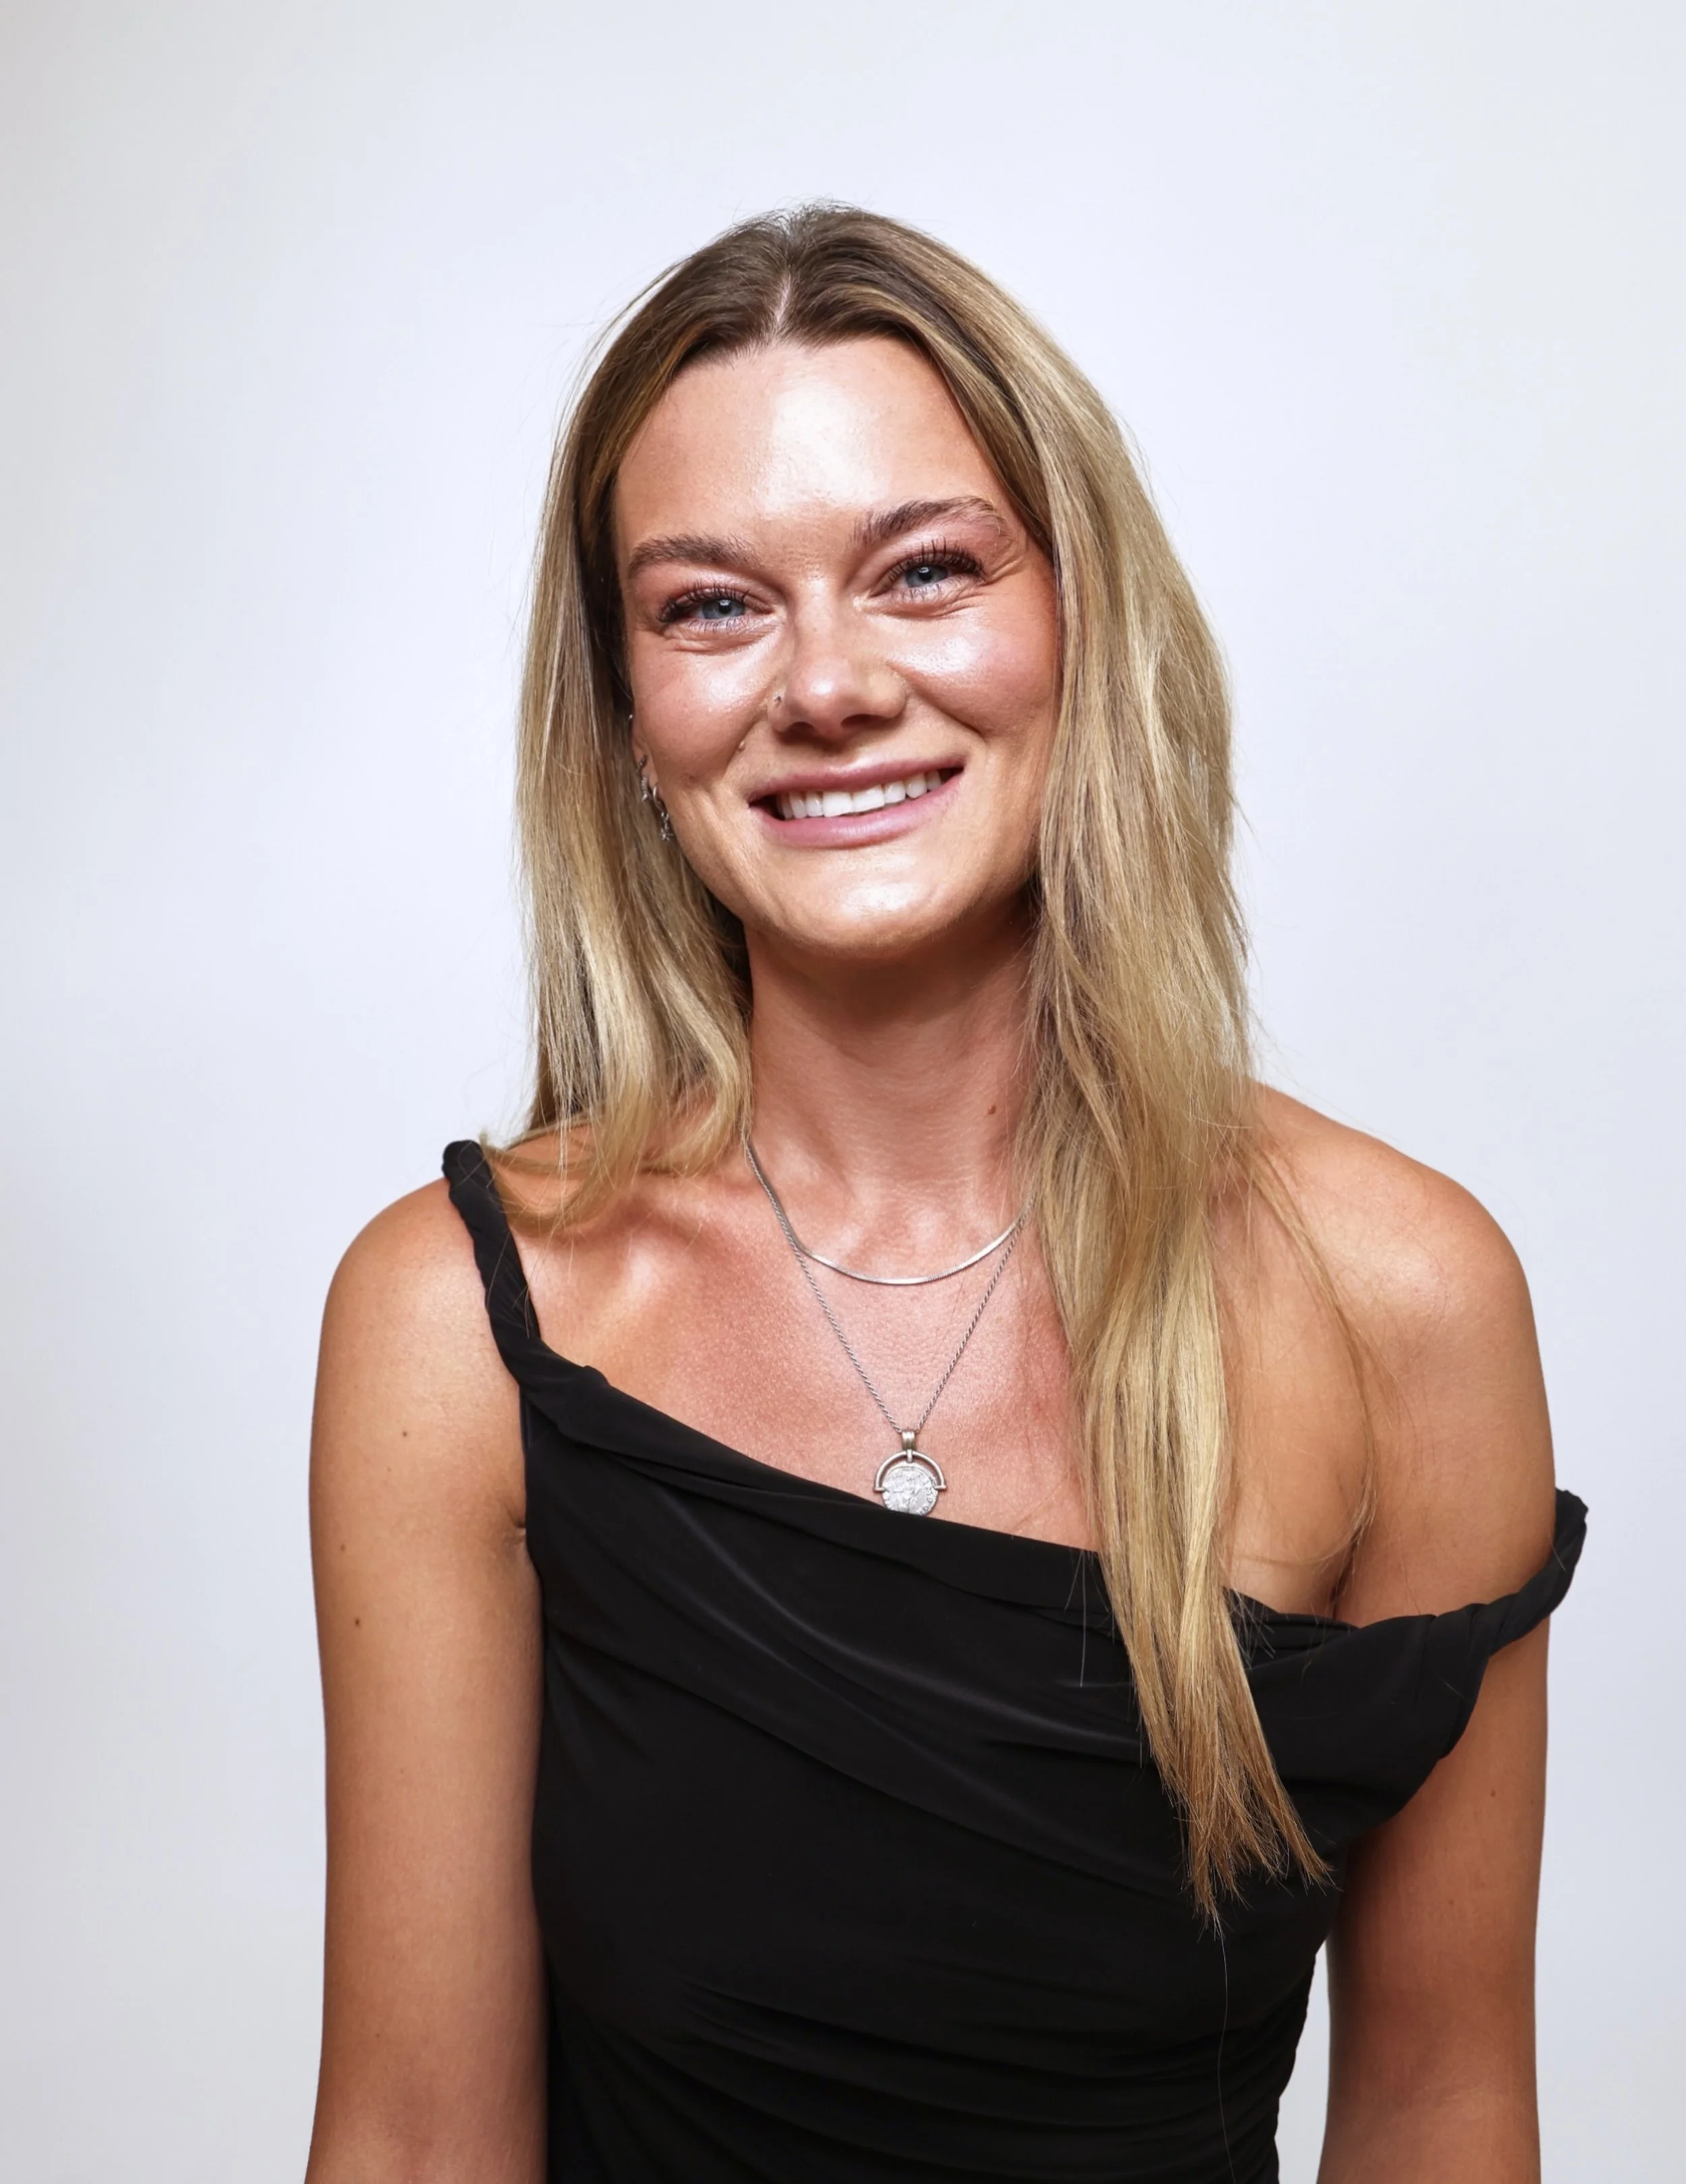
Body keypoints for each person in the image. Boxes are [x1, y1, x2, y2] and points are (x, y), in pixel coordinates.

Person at [303, 206, 1583, 2184]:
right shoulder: (468, 1320)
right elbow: (408, 2142)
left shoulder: (1398, 1299)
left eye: (922, 571)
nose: (824, 683)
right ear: (632, 718)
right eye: (711, 607)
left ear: (1079, 618)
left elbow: (1436, 2111)